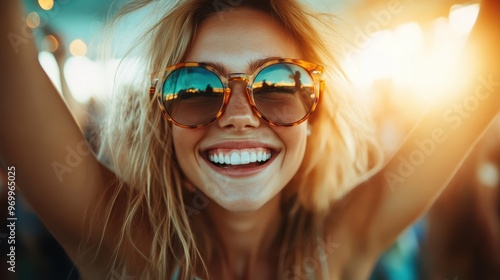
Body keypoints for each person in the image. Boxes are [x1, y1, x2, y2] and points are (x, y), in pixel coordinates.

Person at [0, 0, 498, 279]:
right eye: (195, 89)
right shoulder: (127, 247)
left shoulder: (341, 239)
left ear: (313, 114)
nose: (239, 117)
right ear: (163, 121)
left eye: (279, 86)